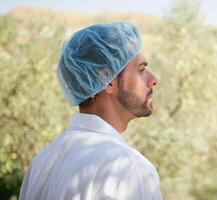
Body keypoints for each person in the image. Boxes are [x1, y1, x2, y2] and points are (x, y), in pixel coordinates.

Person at [19, 23, 163, 200]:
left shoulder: (41, 164)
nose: (153, 79)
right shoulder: (128, 168)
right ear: (107, 80)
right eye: (141, 69)